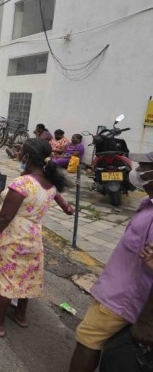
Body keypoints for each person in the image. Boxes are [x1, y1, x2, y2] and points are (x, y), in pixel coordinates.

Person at [0, 138, 69, 338]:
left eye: (20, 151)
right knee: (25, 275)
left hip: (13, 235)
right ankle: (20, 315)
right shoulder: (49, 182)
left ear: (27, 156)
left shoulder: (22, 183)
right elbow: (57, 197)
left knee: (6, 279)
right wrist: (67, 207)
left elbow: (5, 216)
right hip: (33, 236)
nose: (17, 153)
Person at [67, 150, 153, 372]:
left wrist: (146, 322)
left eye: (143, 167)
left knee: (88, 339)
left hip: (125, 298)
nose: (138, 171)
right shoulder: (147, 202)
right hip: (119, 288)